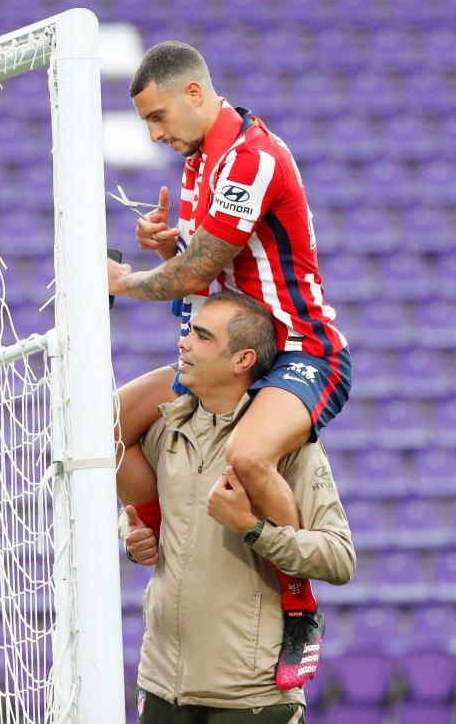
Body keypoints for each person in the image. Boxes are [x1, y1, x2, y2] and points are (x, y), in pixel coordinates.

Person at [108, 40, 351, 689]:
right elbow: (202, 267)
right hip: (232, 357)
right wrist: (171, 244)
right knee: (106, 423)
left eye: (158, 117)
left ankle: (298, 607)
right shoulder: (199, 160)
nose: (155, 134)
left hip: (301, 350)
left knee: (246, 457)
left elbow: (203, 268)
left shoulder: (250, 158)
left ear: (194, 93)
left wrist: (128, 280)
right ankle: (155, 529)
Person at [120, 290, 355, 722]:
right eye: (189, 331)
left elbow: (339, 559)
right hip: (160, 687)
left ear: (242, 360)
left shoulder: (291, 448)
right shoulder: (167, 430)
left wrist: (252, 528)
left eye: (202, 337)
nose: (183, 343)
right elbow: (161, 517)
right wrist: (133, 536)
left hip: (252, 700)